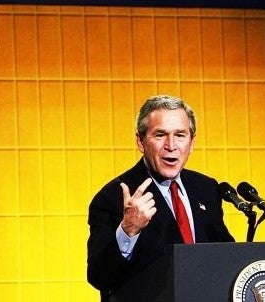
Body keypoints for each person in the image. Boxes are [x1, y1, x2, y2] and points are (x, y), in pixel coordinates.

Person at [87, 94, 235, 300]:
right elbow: (98, 276)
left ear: (192, 142)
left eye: (180, 135)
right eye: (160, 135)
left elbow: (225, 255)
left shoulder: (206, 188)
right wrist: (128, 229)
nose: (171, 145)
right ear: (140, 141)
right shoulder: (112, 197)